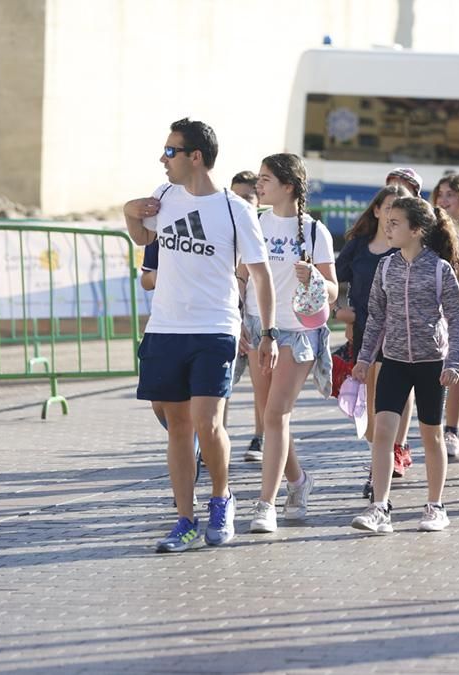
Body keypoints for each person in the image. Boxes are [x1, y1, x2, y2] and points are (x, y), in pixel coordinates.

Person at [124, 117, 276, 553]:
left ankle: (221, 498)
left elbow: (261, 276)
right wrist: (129, 214)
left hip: (214, 326)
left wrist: (266, 332)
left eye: (170, 151)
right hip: (166, 325)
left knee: (208, 423)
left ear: (195, 157)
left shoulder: (235, 208)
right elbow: (143, 239)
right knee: (177, 427)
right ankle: (185, 519)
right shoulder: (164, 196)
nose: (162, 158)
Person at [350, 197, 459, 533]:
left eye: (395, 223)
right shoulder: (385, 267)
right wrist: (364, 359)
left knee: (431, 436)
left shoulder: (439, 269)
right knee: (383, 433)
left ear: (416, 230)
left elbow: (458, 319)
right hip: (394, 362)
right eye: (387, 222)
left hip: (432, 363)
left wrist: (455, 362)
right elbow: (376, 317)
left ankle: (435, 506)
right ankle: (379, 507)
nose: (387, 228)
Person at [236, 154, 337, 534]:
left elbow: (332, 291)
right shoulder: (255, 223)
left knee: (276, 415)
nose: (258, 186)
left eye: (265, 180)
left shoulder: (315, 232)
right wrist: (238, 312)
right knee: (269, 414)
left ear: (288, 186)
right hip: (258, 328)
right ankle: (298, 481)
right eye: (258, 179)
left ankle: (265, 504)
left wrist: (313, 275)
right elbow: (243, 275)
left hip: (297, 334)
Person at [335, 185, 411, 488]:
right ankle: (377, 456)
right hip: (364, 334)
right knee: (368, 404)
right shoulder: (357, 245)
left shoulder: (405, 248)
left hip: (396, 336)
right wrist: (340, 309)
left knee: (386, 404)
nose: (391, 213)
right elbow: (331, 280)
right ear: (377, 210)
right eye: (387, 206)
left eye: (398, 207)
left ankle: (386, 460)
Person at [140, 242, 202, 504]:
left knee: (199, 412)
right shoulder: (161, 224)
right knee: (160, 406)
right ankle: (192, 442)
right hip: (165, 325)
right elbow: (146, 279)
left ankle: (196, 490)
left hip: (206, 326)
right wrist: (160, 275)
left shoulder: (215, 217)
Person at [431, 173, 459, 458]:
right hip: (436, 308)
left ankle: (453, 429)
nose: (444, 200)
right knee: (437, 369)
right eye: (441, 194)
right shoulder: (431, 229)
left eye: (451, 194)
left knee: (457, 369)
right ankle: (445, 420)